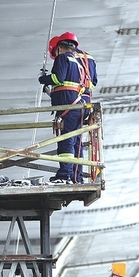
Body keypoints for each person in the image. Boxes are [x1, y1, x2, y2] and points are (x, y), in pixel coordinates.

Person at [37, 31, 98, 183]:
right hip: (83, 104)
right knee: (76, 143)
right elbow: (91, 83)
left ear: (59, 48)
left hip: (69, 106)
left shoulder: (63, 57)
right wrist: (52, 93)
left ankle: (64, 176)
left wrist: (43, 79)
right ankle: (76, 177)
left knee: (66, 140)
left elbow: (58, 78)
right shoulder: (87, 59)